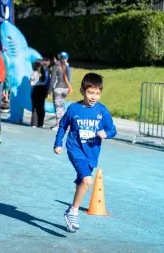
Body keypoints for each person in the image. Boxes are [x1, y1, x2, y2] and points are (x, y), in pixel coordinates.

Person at [53, 73, 117, 233]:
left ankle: (70, 212)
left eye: (97, 93)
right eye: (90, 93)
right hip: (75, 149)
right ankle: (74, 211)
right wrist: (58, 143)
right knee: (88, 181)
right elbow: (63, 126)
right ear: (83, 91)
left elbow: (112, 129)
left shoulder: (102, 111)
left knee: (82, 182)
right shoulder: (74, 108)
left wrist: (106, 134)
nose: (94, 97)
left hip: (92, 153)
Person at [48, 51, 73, 131]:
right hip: (65, 89)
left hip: (58, 88)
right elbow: (69, 79)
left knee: (58, 107)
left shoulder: (56, 66)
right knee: (61, 106)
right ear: (67, 58)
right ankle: (61, 123)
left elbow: (53, 79)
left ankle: (59, 125)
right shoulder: (67, 66)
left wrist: (49, 91)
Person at [30, 60, 47, 128]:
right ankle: (41, 123)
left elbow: (31, 83)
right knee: (41, 107)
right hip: (43, 89)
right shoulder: (44, 73)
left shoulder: (34, 73)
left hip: (36, 89)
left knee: (35, 107)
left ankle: (34, 123)